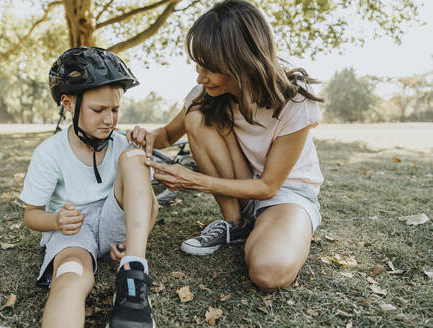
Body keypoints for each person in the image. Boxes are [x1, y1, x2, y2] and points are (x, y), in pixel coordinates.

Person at [127, 0, 324, 291]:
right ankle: (236, 224)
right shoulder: (205, 93)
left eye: (209, 67)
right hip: (241, 184)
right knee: (195, 117)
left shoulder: (295, 102)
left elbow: (269, 187)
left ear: (241, 62)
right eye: (198, 63)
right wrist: (147, 137)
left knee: (269, 272)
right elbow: (168, 134)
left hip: (286, 194)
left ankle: (273, 231)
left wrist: (195, 181)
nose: (199, 76)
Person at [20, 47, 158, 328]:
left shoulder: (122, 144)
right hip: (72, 230)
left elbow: (150, 206)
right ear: (68, 104)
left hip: (112, 221)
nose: (109, 119)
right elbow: (31, 215)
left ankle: (134, 272)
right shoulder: (49, 153)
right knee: (70, 275)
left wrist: (132, 243)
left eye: (115, 109)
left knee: (132, 157)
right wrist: (56, 220)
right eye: (98, 110)